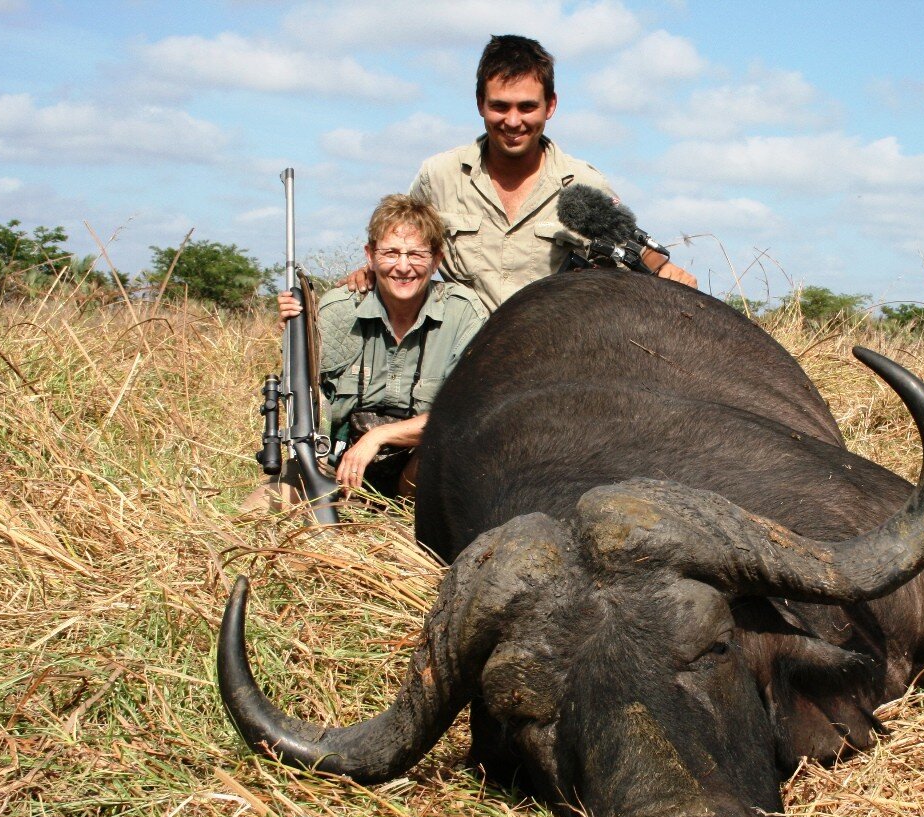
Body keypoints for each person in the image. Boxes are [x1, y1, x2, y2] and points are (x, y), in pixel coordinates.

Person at [350, 34, 696, 311]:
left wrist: (668, 274)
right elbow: (401, 249)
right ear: (480, 104)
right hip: (459, 362)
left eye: (527, 107)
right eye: (500, 106)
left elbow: (636, 261)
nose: (513, 121)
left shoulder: (585, 182)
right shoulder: (438, 175)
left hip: (546, 365)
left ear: (551, 106)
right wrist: (369, 274)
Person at [244, 194, 487, 510]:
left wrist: (379, 437)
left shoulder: (464, 313)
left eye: (416, 254)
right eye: (390, 253)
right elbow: (309, 398)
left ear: (437, 260)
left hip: (417, 471)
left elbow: (466, 414)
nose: (403, 267)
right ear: (370, 256)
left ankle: (407, 528)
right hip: (337, 465)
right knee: (261, 507)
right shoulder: (337, 309)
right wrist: (293, 335)